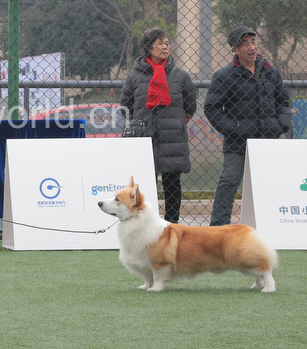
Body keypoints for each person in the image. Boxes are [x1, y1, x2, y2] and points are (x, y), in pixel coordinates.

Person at [204, 25, 291, 226]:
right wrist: (233, 129)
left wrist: (280, 125)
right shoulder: (225, 75)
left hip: (268, 139)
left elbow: (283, 101)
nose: (251, 47)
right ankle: (219, 227)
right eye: (244, 44)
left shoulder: (271, 72)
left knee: (271, 182)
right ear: (234, 49)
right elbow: (212, 107)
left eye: (253, 42)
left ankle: (273, 224)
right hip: (238, 142)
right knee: (229, 181)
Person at [119, 28, 196, 223]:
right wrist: (141, 122)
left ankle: (172, 224)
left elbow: (190, 106)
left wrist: (176, 121)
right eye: (160, 43)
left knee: (172, 183)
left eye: (167, 43)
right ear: (148, 47)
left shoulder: (181, 76)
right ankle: (146, 224)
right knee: (146, 183)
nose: (165, 47)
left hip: (172, 137)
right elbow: (126, 107)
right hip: (145, 137)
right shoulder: (134, 77)